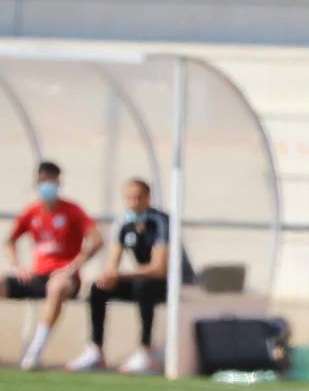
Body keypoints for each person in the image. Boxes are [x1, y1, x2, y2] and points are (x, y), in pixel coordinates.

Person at [66, 178, 189, 375]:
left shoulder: (160, 221)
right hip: (142, 280)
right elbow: (113, 262)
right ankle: (95, 350)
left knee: (143, 286)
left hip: (172, 284)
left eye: (138, 198)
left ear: (148, 198)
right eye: (129, 198)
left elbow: (159, 269)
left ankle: (145, 349)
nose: (134, 203)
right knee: (98, 288)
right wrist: (108, 276)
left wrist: (120, 274)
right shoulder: (124, 222)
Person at [4, 161, 103, 371]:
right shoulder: (32, 212)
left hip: (65, 277)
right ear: (36, 182)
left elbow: (97, 240)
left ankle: (35, 351)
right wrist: (17, 266)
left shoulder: (72, 210)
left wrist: (74, 266)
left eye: (51, 181)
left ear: (59, 182)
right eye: (43, 181)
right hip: (37, 275)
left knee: (56, 286)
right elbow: (9, 240)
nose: (47, 185)